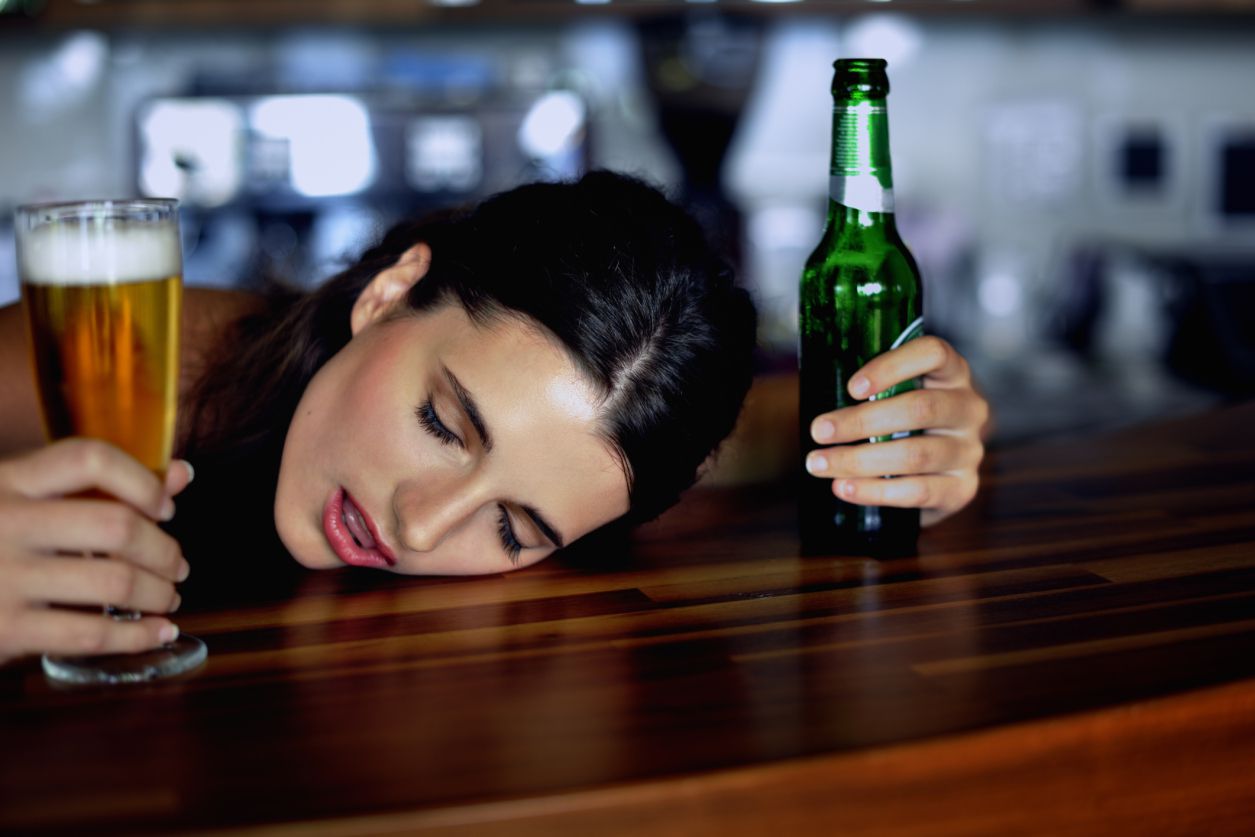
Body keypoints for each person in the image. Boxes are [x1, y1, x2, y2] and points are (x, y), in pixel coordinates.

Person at [0, 170, 988, 665]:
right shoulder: (126, 370)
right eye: (441, 423)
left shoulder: (597, 482)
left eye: (514, 529)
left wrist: (894, 449)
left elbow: (766, 442)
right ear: (391, 292)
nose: (421, 526)